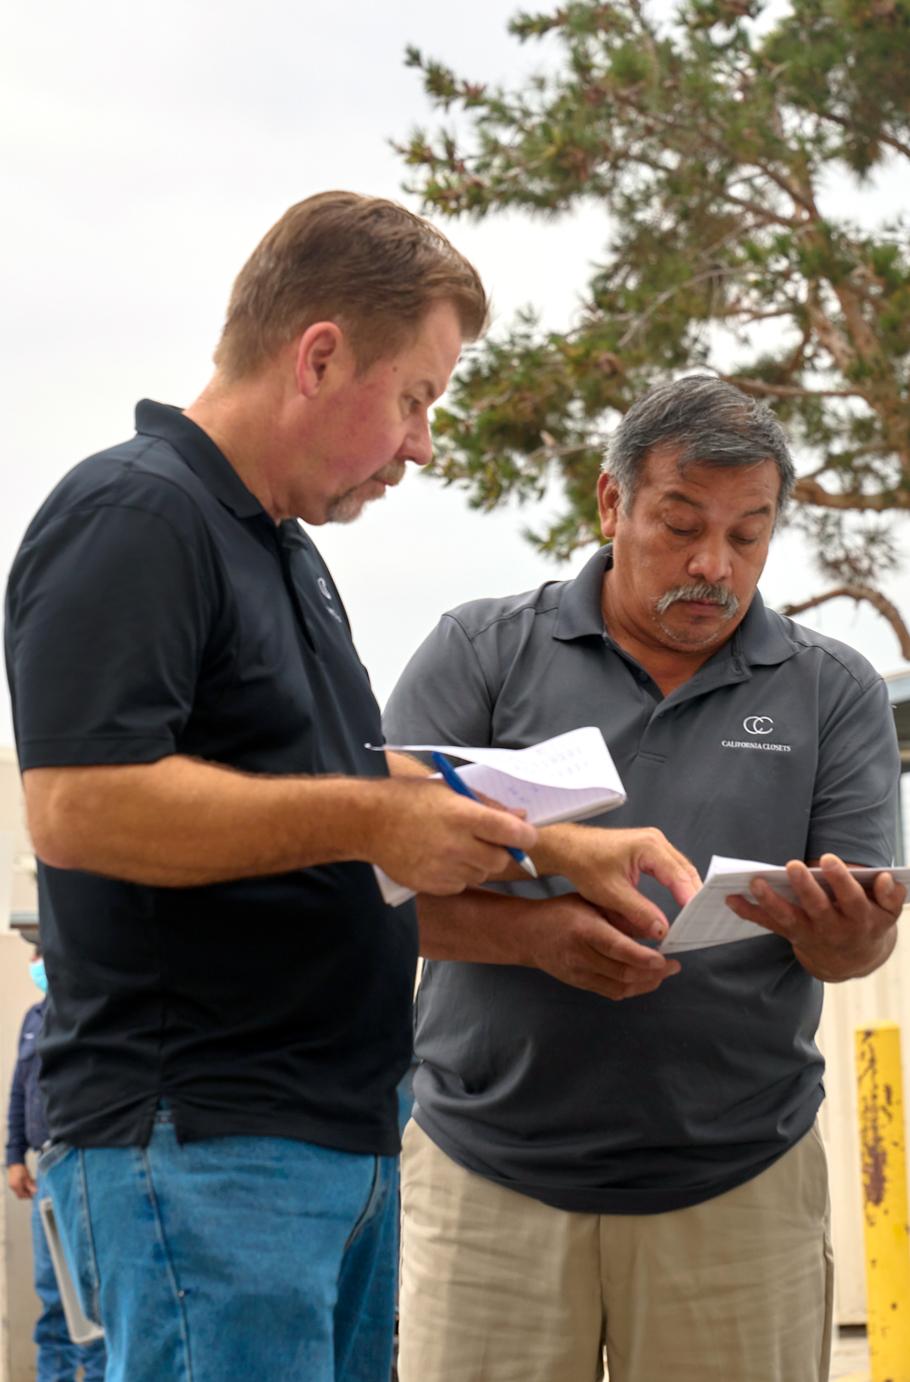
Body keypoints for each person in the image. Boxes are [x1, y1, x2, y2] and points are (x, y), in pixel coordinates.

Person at [5, 192, 694, 1382]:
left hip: (332, 1141)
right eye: (418, 396)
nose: (424, 443)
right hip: (207, 1140)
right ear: (320, 354)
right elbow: (79, 803)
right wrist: (383, 815)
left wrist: (543, 846)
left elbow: (324, 798)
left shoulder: (282, 553)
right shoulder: (136, 510)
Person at [383, 375, 906, 1382]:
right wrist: (537, 936)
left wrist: (848, 935)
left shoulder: (831, 690)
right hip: (486, 1180)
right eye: (680, 524)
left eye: (748, 535)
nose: (713, 564)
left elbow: (855, 941)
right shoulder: (481, 652)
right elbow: (375, 890)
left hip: (740, 1183)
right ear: (611, 503)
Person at [5, 943, 106, 1382]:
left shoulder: (94, 1013)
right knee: (52, 1297)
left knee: (96, 1298)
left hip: (90, 1166)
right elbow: (17, 1092)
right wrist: (13, 1158)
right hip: (44, 1171)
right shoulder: (32, 1018)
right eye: (33, 955)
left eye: (43, 954)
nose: (36, 964)